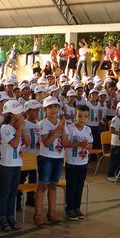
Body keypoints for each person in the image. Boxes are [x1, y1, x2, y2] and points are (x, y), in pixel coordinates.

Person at [34, 97, 65, 227]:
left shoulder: (61, 123)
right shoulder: (43, 124)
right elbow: (46, 143)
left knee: (53, 185)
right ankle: (38, 214)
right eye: (50, 107)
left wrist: (62, 129)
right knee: (42, 186)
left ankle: (51, 212)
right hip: (46, 158)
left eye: (56, 107)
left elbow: (65, 141)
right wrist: (58, 129)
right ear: (45, 110)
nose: (53, 110)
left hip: (58, 158)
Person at [0, 100, 27, 231]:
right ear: (12, 115)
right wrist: (19, 128)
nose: (22, 114)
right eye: (19, 112)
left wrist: (22, 129)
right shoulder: (5, 128)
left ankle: (11, 216)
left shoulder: (17, 128)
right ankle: (2, 217)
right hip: (7, 165)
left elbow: (28, 142)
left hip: (17, 164)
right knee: (5, 192)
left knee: (14, 192)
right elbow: (14, 144)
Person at [63, 105, 92, 220]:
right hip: (71, 162)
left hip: (83, 162)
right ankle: (69, 208)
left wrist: (86, 146)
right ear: (75, 116)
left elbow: (90, 144)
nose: (82, 119)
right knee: (71, 186)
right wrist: (79, 144)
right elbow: (66, 144)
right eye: (79, 116)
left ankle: (77, 207)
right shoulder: (70, 128)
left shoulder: (88, 130)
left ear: (88, 118)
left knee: (80, 186)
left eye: (85, 117)